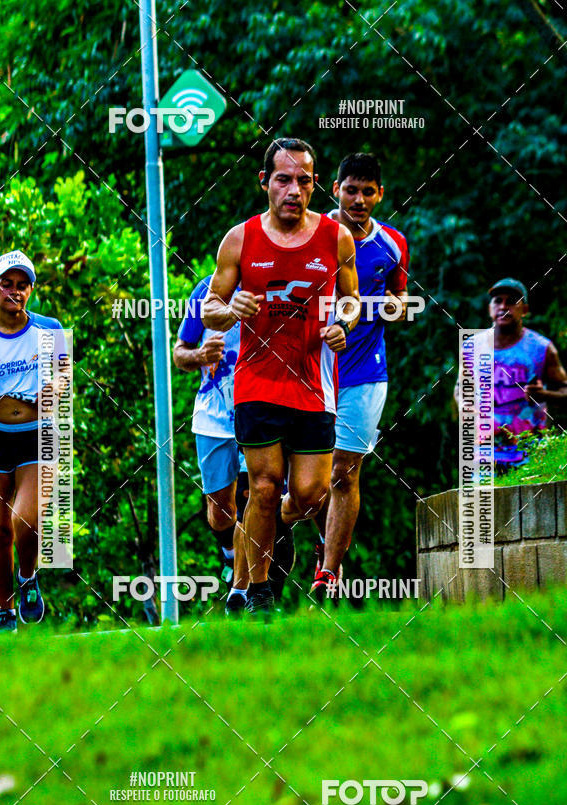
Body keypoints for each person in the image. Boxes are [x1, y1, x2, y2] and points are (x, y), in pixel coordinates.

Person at [202, 137, 360, 615]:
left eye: (304, 181)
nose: (294, 189)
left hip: (312, 383)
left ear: (315, 186)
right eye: (284, 179)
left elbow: (351, 297)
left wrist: (343, 322)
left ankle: (265, 542)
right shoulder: (240, 238)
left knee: (310, 495)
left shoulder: (335, 237)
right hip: (256, 381)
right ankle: (258, 591)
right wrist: (230, 310)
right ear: (265, 183)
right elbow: (209, 307)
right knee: (265, 485)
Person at [312, 152, 410, 602]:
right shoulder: (309, 233)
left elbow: (399, 301)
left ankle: (328, 575)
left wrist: (393, 308)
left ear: (380, 195)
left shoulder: (393, 244)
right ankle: (317, 540)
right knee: (305, 483)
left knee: (345, 474)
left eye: (368, 191)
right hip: (309, 370)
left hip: (365, 372)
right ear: (335, 189)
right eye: (351, 189)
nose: (359, 199)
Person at [0, 250, 66, 634]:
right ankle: (5, 614)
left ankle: (28, 579)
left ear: (31, 291)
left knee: (25, 519)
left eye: (21, 285)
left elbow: (62, 377)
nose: (14, 291)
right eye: (6, 284)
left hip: (35, 437)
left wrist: (52, 391)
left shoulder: (49, 328)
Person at [173, 275, 249, 614]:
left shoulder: (273, 283)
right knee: (221, 512)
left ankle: (243, 589)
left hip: (259, 411)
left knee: (253, 496)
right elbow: (179, 353)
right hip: (213, 413)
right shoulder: (204, 291)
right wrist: (202, 354)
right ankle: (231, 555)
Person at [456, 278, 567, 470]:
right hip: (483, 454)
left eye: (512, 301)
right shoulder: (471, 347)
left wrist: (543, 395)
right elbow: (461, 388)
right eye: (497, 301)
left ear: (524, 309)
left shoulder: (542, 348)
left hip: (532, 454)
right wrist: (464, 404)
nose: (503, 306)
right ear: (490, 308)